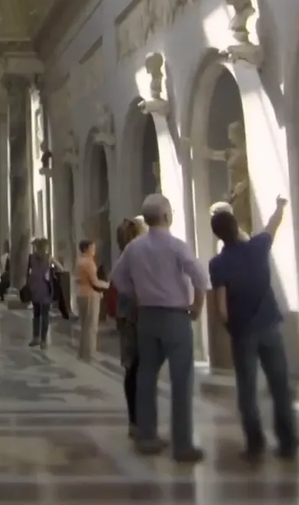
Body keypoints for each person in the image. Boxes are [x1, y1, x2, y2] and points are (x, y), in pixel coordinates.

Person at [111, 194, 209, 462]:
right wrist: (197, 305)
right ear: (167, 216)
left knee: (146, 376)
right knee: (181, 380)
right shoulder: (177, 246)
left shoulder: (134, 248)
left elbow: (117, 278)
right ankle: (183, 444)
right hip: (176, 317)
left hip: (147, 317)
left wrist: (137, 294)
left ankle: (147, 436)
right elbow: (200, 276)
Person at [209, 196, 298, 461]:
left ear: (217, 235)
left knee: (247, 390)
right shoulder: (258, 247)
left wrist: (232, 328)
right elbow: (273, 224)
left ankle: (255, 443)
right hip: (270, 325)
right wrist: (280, 205)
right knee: (279, 385)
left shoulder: (218, 264)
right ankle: (288, 441)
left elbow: (222, 307)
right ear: (237, 227)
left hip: (243, 331)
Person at [114, 216, 148, 433]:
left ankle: (136, 420)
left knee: (133, 367)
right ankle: (139, 421)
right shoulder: (135, 255)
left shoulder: (129, 255)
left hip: (128, 314)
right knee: (139, 367)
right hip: (135, 315)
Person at [75, 240, 107, 361]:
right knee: (92, 326)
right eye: (92, 248)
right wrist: (107, 285)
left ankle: (82, 352)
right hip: (90, 295)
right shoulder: (89, 263)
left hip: (80, 294)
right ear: (86, 249)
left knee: (84, 326)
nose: (94, 250)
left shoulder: (79, 261)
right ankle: (90, 353)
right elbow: (94, 282)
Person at [24, 238, 56, 349]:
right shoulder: (48, 257)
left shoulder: (31, 257)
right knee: (45, 314)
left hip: (34, 287)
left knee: (36, 313)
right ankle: (43, 340)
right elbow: (60, 268)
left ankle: (35, 337)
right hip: (45, 287)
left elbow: (27, 272)